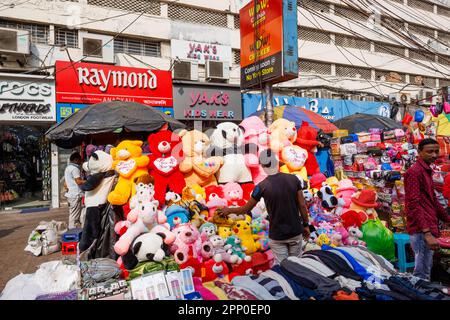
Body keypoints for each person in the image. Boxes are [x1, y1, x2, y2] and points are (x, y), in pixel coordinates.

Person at [217, 149, 310, 264]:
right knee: (297, 264)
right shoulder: (294, 179)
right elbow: (302, 205)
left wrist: (228, 210)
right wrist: (306, 225)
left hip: (277, 235)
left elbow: (246, 209)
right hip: (295, 232)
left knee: (282, 266)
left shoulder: (261, 186)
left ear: (263, 166)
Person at [404, 138, 450, 281]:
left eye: (436, 151)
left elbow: (433, 201)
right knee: (422, 273)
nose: (434, 155)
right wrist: (427, 233)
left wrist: (447, 219)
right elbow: (414, 204)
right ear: (419, 152)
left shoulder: (427, 170)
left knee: (426, 269)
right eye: (430, 152)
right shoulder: (415, 172)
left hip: (428, 225)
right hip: (421, 229)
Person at [64, 152, 85, 229]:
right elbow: (79, 181)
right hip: (75, 194)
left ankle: (73, 230)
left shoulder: (68, 168)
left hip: (71, 194)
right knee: (74, 216)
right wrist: (88, 180)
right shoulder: (75, 168)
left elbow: (65, 184)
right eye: (80, 160)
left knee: (73, 213)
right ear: (76, 160)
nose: (81, 162)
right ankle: (72, 231)